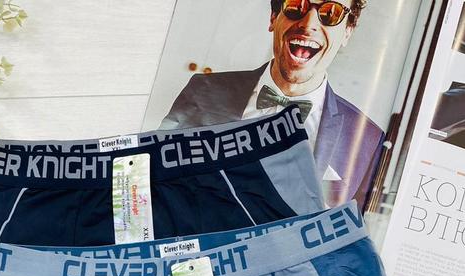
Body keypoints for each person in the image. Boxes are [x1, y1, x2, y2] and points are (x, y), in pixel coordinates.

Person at [160, 0, 384, 209]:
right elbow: (154, 177)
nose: (308, 24)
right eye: (295, 5)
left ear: (347, 31)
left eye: (330, 13)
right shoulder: (202, 90)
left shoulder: (368, 139)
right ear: (273, 17)